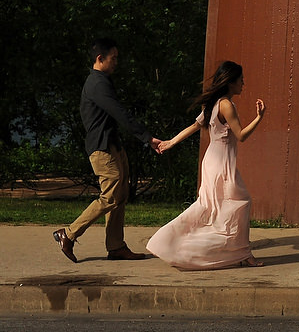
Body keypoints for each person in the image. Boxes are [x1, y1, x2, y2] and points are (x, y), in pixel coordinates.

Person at [147, 60, 266, 269]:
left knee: (213, 208)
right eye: (241, 79)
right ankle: (242, 253)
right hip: (221, 164)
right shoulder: (226, 105)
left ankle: (180, 243)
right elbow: (241, 136)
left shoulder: (213, 103)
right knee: (238, 203)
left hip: (212, 161)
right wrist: (259, 118)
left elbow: (194, 126)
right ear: (231, 82)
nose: (243, 83)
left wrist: (171, 142)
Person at [53, 38, 164, 263]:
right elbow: (119, 113)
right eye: (113, 58)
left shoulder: (102, 81)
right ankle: (69, 233)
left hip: (112, 146)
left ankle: (116, 247)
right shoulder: (97, 83)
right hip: (102, 148)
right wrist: (147, 137)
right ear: (100, 59)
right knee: (111, 196)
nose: (117, 62)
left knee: (120, 195)